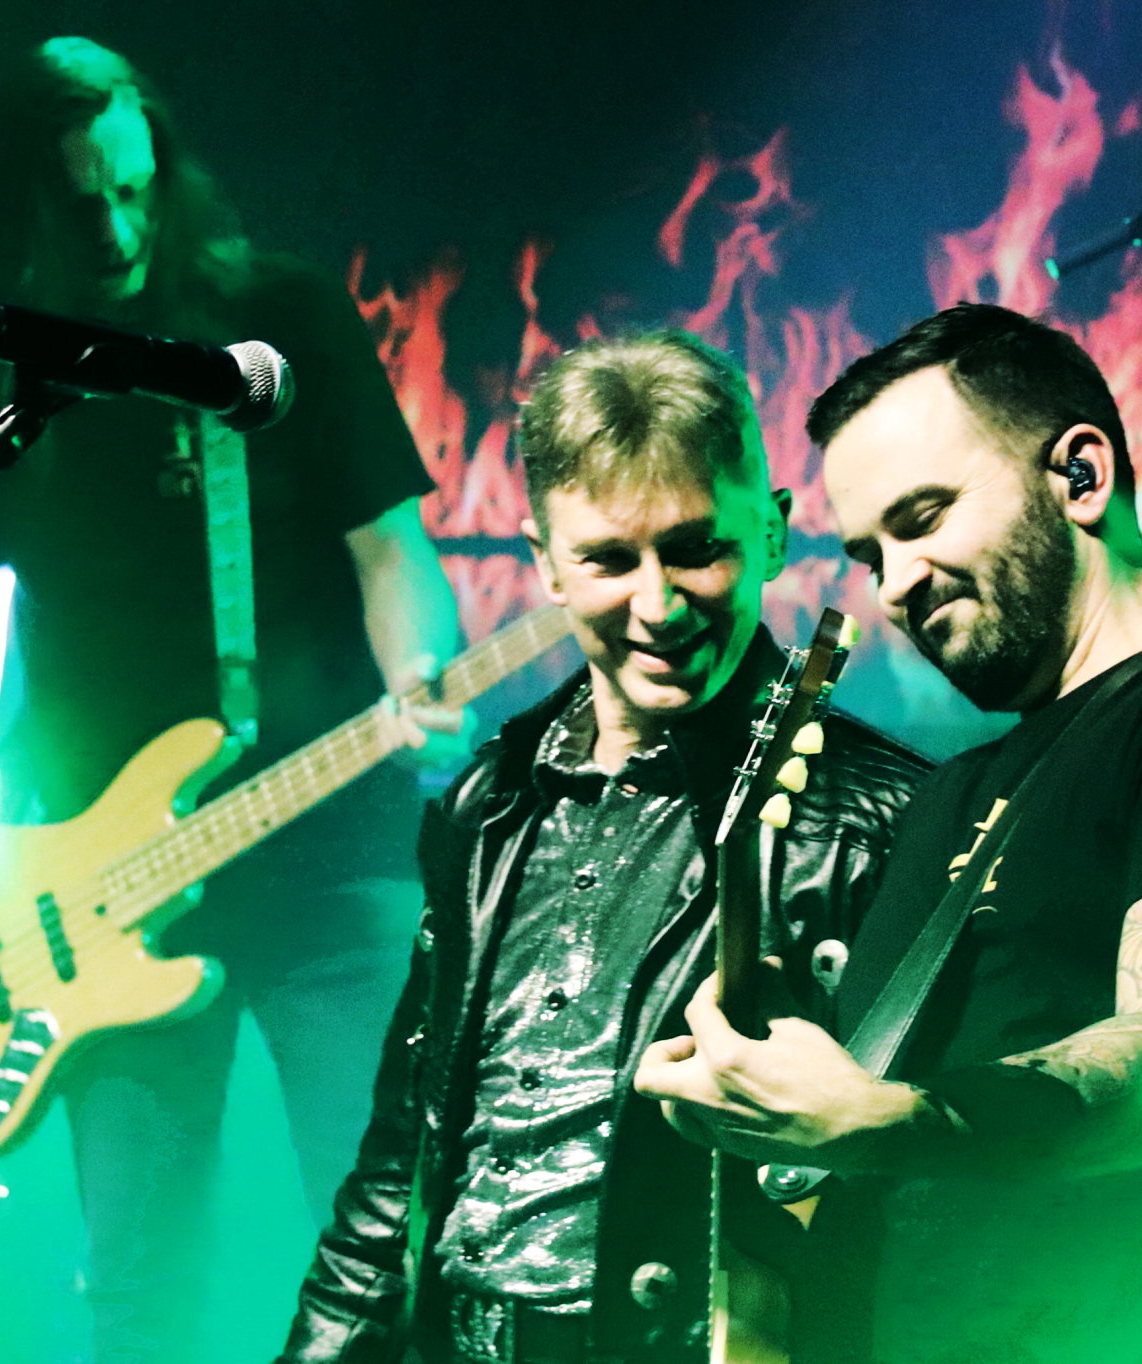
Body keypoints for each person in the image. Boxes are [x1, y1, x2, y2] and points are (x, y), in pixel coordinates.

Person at [636, 303, 1142, 1364]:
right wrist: (754, 1086)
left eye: (922, 518)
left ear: (1080, 475)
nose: (895, 583)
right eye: (869, 554)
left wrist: (870, 1115)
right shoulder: (953, 794)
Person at [0, 38, 464, 1364]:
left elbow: (390, 551)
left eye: (137, 190)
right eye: (84, 204)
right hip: (95, 888)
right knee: (141, 1290)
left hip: (324, 852)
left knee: (392, 1250)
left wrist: (420, 670)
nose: (120, 230)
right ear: (23, 204)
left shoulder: (275, 323)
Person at [278, 332, 931, 1364]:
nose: (657, 605)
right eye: (609, 560)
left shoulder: (877, 819)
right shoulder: (488, 802)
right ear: (544, 562)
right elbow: (401, 1158)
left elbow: (920, 1216)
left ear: (770, 532)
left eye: (695, 549)